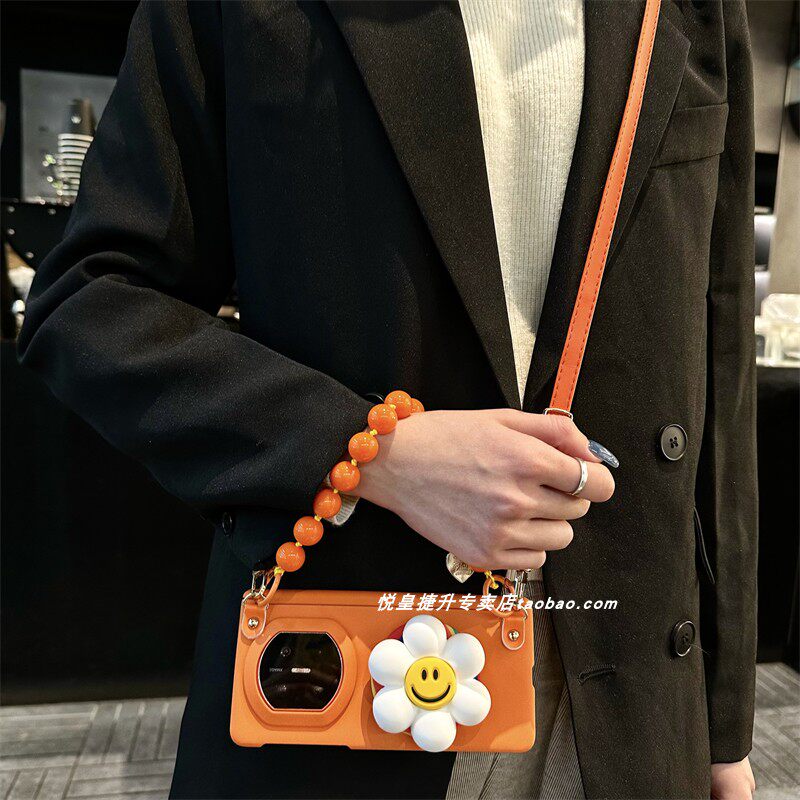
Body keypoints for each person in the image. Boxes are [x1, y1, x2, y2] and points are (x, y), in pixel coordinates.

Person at [18, 1, 758, 798]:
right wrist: (369, 449)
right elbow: (92, 302)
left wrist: (723, 730)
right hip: (349, 679)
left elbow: (717, 362)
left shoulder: (691, 9)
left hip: (636, 697)